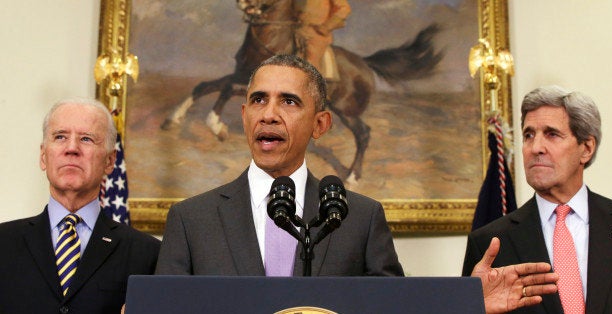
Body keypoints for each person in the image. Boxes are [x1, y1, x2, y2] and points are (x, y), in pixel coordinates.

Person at [156, 54, 558, 312]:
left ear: (321, 124)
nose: (269, 114)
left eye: (289, 101)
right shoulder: (192, 220)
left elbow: (395, 309)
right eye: (259, 100)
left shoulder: (360, 217)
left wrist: (465, 302)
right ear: (243, 115)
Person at [462, 85, 612, 313]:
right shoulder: (489, 242)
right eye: (529, 135)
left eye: (552, 134)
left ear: (587, 148)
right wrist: (472, 307)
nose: (536, 147)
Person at [0, 98, 161, 313]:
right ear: (43, 156)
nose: (72, 148)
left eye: (86, 139)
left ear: (110, 161)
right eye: (60, 137)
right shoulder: (4, 243)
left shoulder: (147, 253)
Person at [294, 0, 351, 79]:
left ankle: (312, 86)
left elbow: (344, 9)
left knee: (310, 61)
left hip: (316, 33)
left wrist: (326, 27)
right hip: (293, 29)